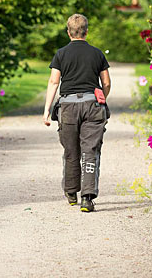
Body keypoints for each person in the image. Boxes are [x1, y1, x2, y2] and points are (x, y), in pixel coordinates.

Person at [42, 14, 111, 212]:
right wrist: (102, 98)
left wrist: (47, 110)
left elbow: (54, 81)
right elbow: (105, 82)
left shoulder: (61, 54)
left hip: (68, 108)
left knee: (71, 151)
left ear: (68, 32)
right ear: (86, 31)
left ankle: (71, 193)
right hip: (92, 106)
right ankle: (87, 198)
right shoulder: (97, 54)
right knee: (90, 151)